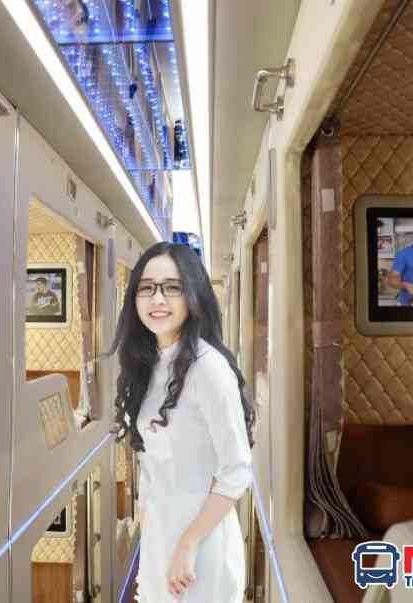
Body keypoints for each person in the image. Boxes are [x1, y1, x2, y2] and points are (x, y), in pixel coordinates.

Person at [109, 242, 255, 602]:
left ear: (193, 295)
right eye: (147, 288)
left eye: (172, 288)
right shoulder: (151, 364)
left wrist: (188, 545)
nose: (157, 299)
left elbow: (237, 470)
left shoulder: (208, 368)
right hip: (162, 533)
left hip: (201, 542)